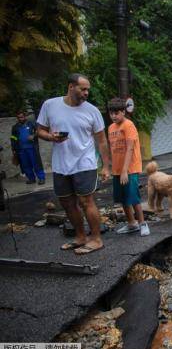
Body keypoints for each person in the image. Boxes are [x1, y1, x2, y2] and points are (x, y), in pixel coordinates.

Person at [37, 73, 110, 255]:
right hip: (60, 164)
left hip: (84, 163)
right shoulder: (50, 105)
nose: (86, 93)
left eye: (87, 90)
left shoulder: (92, 110)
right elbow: (40, 130)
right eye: (83, 89)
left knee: (86, 201)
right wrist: (50, 137)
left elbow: (102, 140)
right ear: (71, 87)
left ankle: (96, 239)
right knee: (67, 203)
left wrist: (106, 166)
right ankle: (80, 237)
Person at [107, 98, 149, 236]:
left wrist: (125, 171)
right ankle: (132, 224)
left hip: (129, 169)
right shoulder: (111, 128)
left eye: (116, 113)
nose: (113, 116)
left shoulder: (128, 125)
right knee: (123, 198)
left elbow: (130, 149)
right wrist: (108, 168)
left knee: (133, 197)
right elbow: (112, 149)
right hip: (117, 169)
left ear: (123, 112)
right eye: (111, 113)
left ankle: (143, 223)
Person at [10, 110, 46, 184]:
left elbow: (39, 131)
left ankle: (41, 178)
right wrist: (13, 149)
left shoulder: (31, 124)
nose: (21, 119)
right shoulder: (15, 127)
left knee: (36, 164)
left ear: (25, 116)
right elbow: (13, 138)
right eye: (19, 117)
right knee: (25, 165)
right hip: (21, 149)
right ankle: (31, 179)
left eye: (22, 117)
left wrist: (33, 135)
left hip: (32, 148)